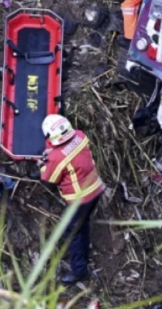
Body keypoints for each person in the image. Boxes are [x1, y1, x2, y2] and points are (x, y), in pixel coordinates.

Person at [40, 114, 104, 284]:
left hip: (79, 199)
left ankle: (79, 271)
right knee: (83, 224)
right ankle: (85, 253)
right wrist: (52, 151)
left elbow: (49, 179)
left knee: (72, 233)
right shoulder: (81, 136)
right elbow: (67, 149)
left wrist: (42, 166)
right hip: (96, 190)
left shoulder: (56, 157)